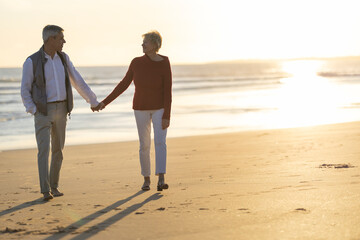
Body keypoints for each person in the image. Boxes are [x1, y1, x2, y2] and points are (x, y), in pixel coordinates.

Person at [21, 25, 100, 201]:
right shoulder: (31, 61)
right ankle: (45, 190)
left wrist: (93, 101)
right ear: (51, 39)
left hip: (62, 109)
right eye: (61, 38)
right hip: (43, 111)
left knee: (58, 150)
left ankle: (54, 186)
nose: (64, 41)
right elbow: (25, 90)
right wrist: (33, 109)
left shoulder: (64, 58)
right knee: (44, 150)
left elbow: (77, 81)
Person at [92, 30, 172, 191]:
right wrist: (104, 102)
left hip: (160, 109)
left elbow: (167, 90)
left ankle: (161, 178)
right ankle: (146, 179)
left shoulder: (164, 62)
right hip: (141, 108)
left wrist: (167, 115)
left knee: (160, 142)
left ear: (155, 45)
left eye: (146, 42)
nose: (142, 45)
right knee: (144, 144)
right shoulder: (136, 62)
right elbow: (123, 85)